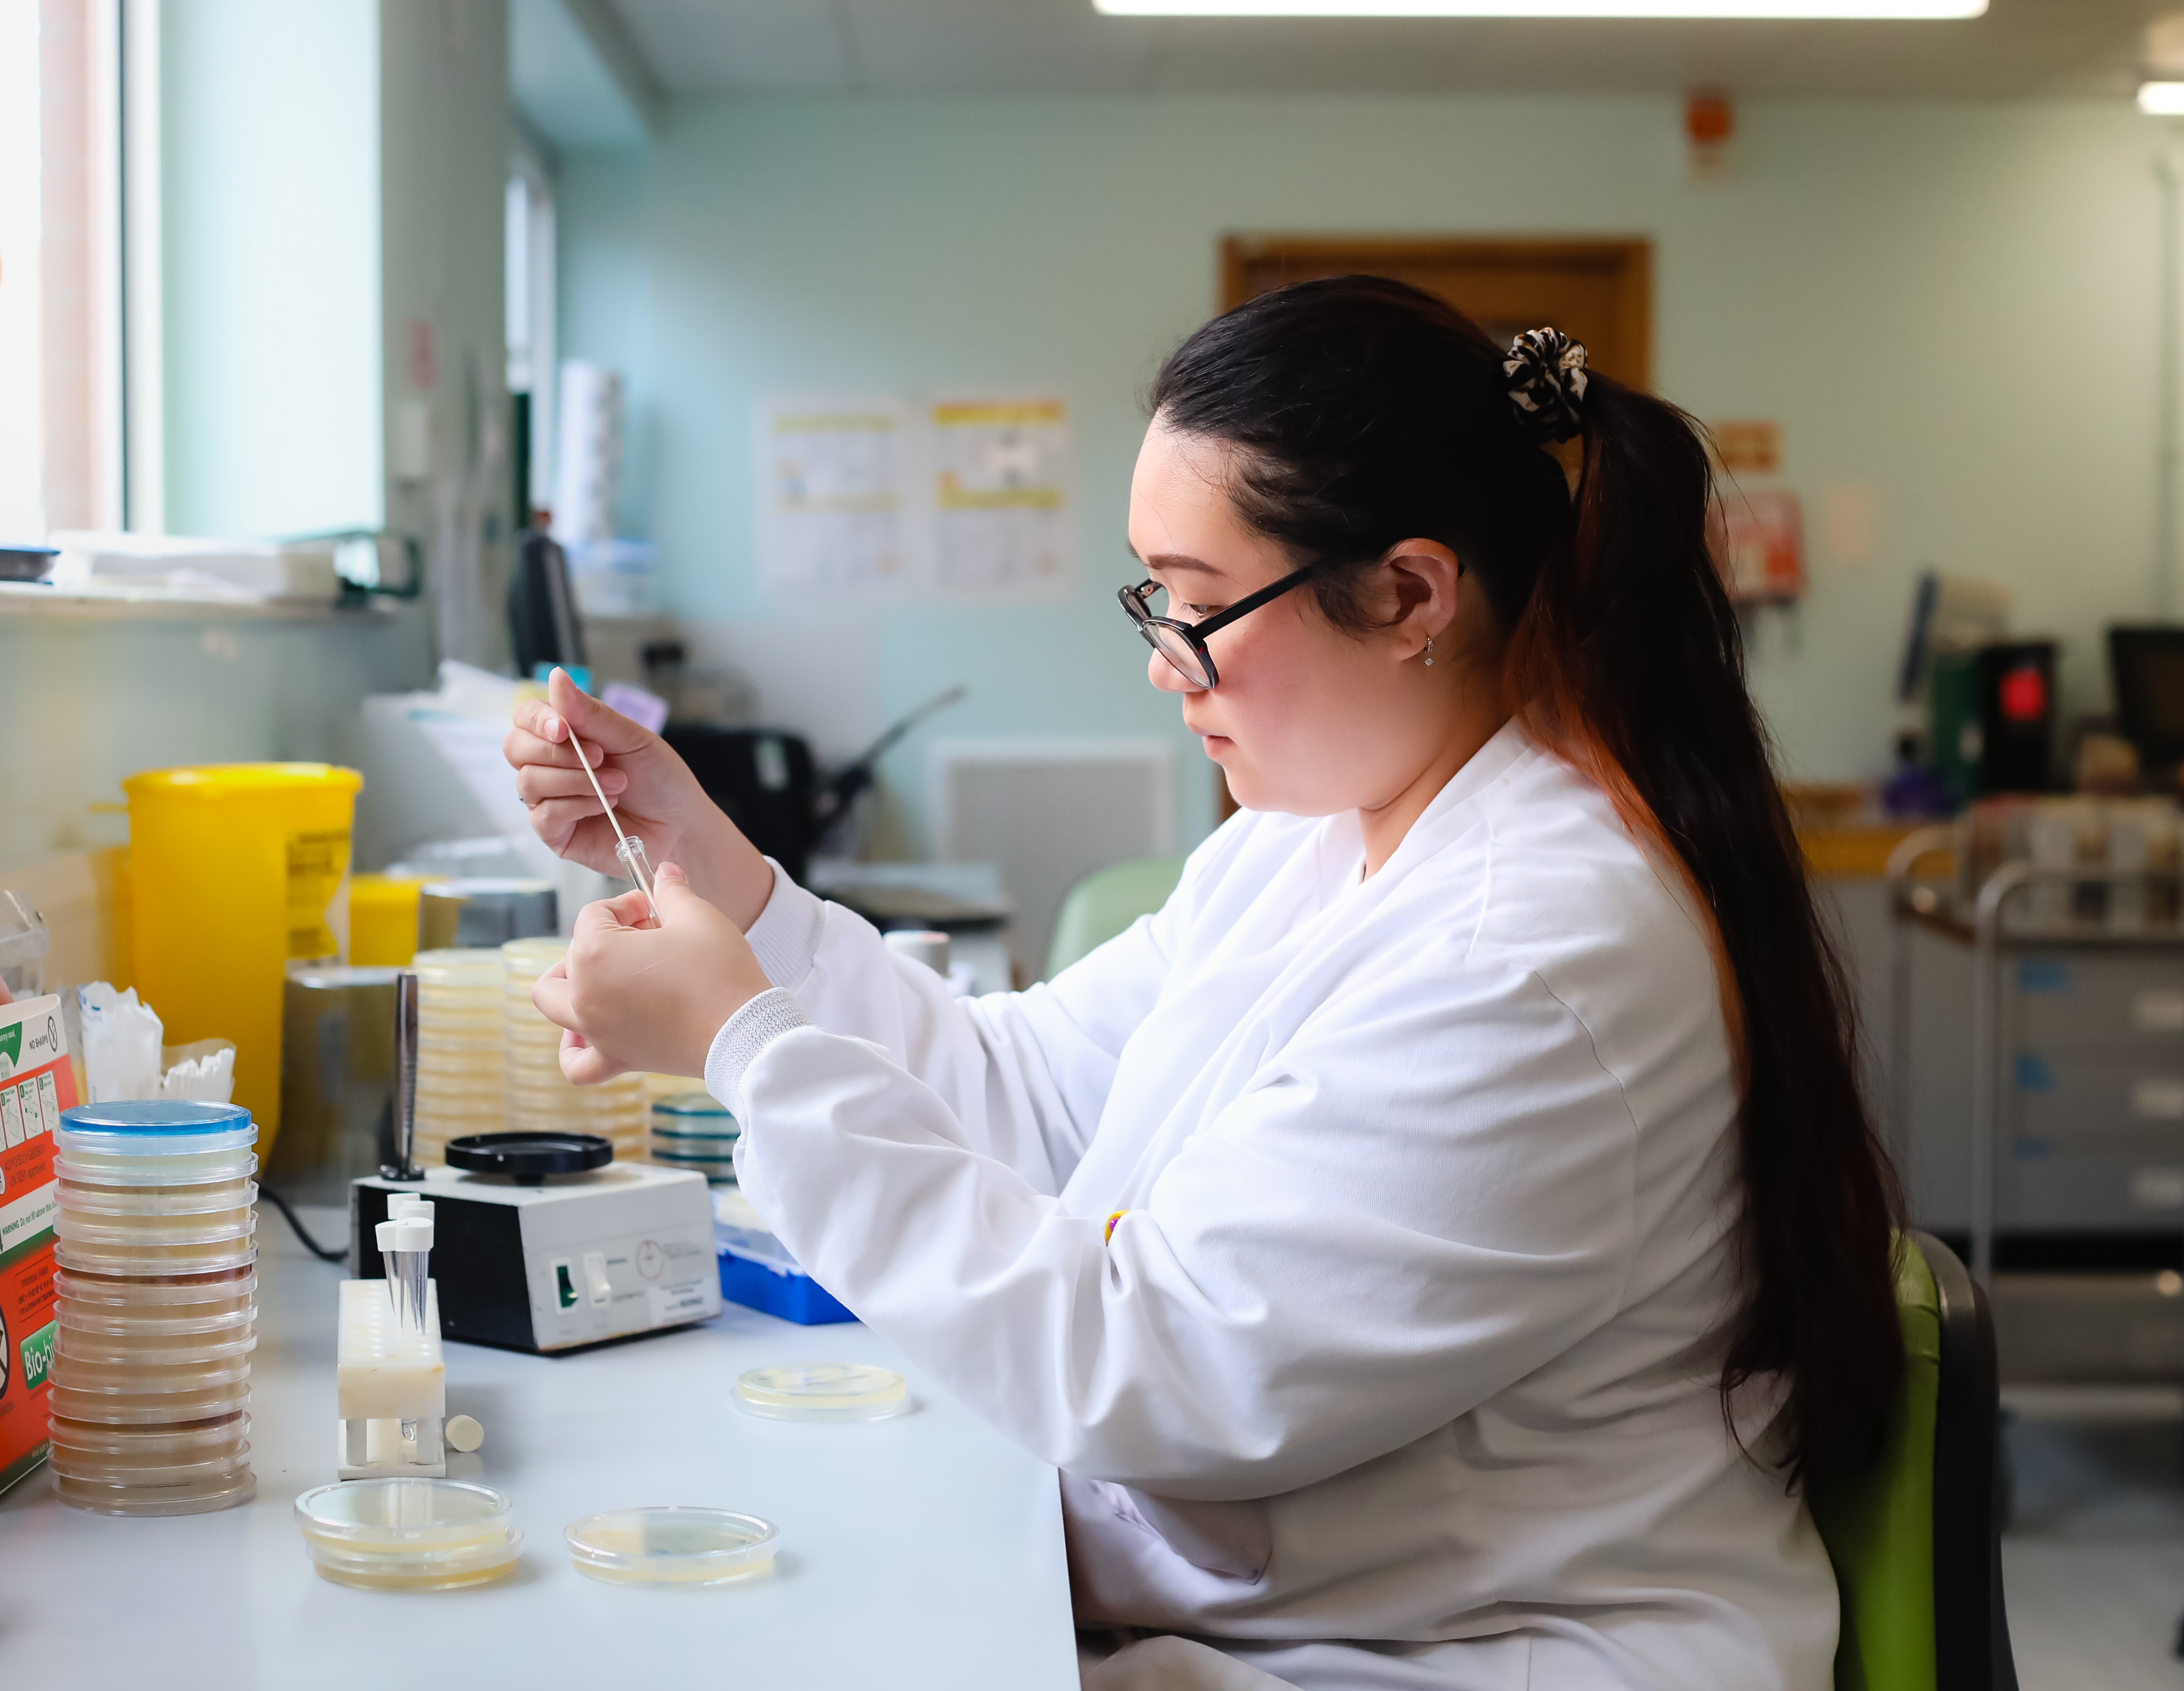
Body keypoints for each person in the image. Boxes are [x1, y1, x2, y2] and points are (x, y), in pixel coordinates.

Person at [504, 276, 1902, 1691]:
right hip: (1304, 1610)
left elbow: (1149, 1369)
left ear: (1411, 592)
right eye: (1151, 599)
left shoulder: (1536, 952)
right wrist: (722, 875)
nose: (1165, 670)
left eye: (1202, 607)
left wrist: (745, 1045)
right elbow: (1025, 1094)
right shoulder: (1306, 839)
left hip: (1476, 1656)